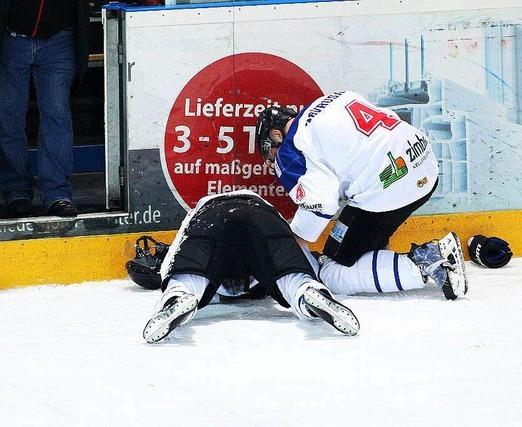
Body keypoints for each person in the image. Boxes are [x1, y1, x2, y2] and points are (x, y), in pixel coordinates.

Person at [256, 91, 469, 300]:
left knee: (332, 271)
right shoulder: (335, 98)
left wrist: (287, 247)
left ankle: (429, 259)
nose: (271, 158)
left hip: (390, 186)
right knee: (363, 240)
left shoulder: (290, 149)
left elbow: (321, 204)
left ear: (276, 134)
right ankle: (378, 252)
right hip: (424, 163)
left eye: (268, 150)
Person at [142, 190, 360, 344]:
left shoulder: (198, 214)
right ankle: (307, 294)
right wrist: (309, 275)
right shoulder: (261, 274)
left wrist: (169, 280)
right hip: (262, 214)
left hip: (213, 213)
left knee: (188, 277)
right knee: (291, 277)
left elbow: (175, 260)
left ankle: (178, 297)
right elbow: (294, 255)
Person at [0, 0, 89, 218]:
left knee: (57, 116)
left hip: (60, 39)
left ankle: (57, 193)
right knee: (9, 116)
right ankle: (15, 190)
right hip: (12, 37)